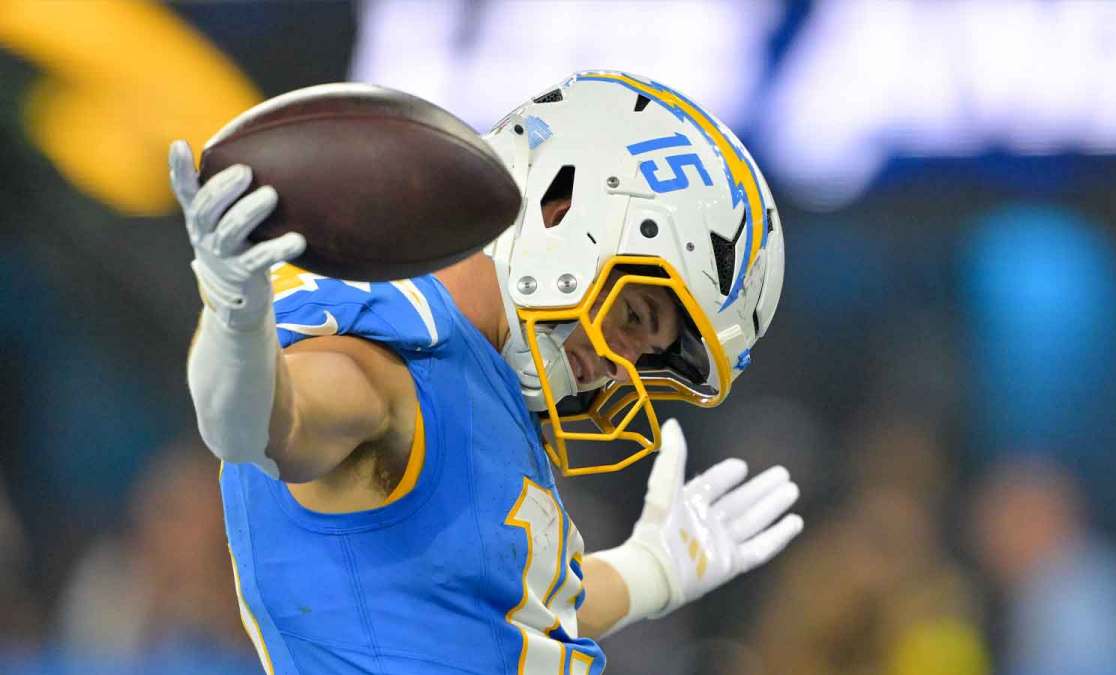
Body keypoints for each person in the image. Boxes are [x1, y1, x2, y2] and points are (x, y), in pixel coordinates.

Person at [175, 71, 801, 674]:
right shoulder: (393, 357)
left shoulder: (477, 378)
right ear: (564, 209)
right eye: (633, 314)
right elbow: (256, 425)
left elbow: (515, 609)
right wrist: (234, 316)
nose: (621, 364)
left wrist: (650, 569)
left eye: (649, 352)